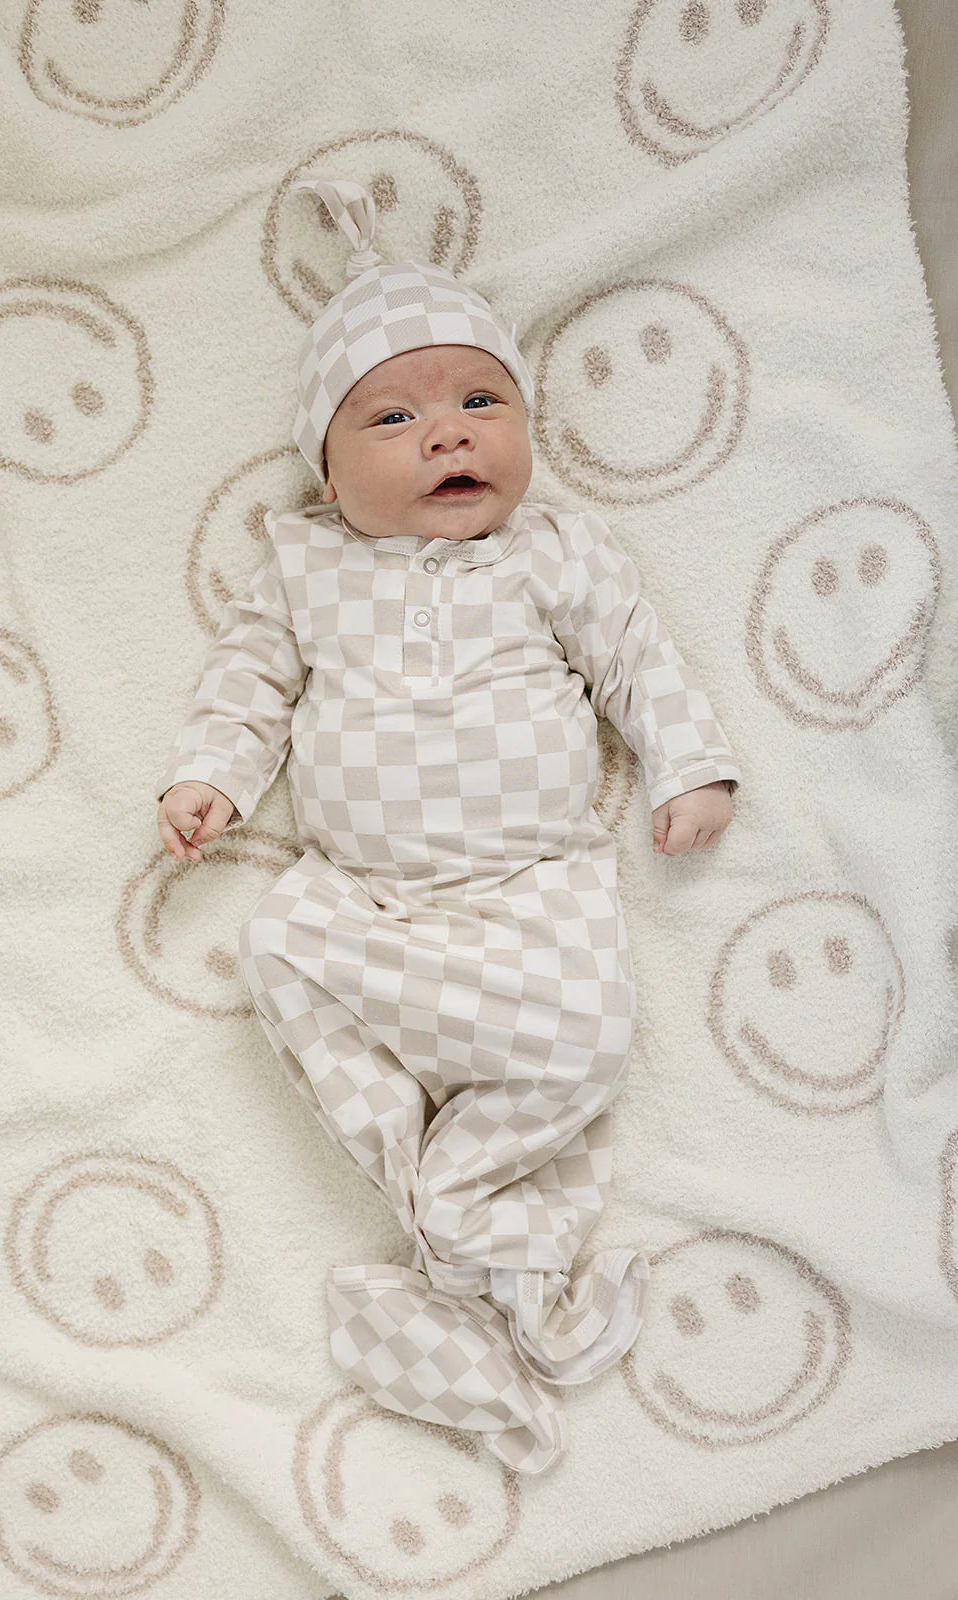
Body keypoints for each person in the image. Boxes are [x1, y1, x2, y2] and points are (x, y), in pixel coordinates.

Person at [154, 177, 742, 1474]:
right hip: (358, 898)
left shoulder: (556, 555)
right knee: (275, 951)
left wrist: (685, 767)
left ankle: (461, 1218)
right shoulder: (306, 566)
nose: (447, 436)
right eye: (395, 416)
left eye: (483, 401)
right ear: (326, 463)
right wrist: (212, 779)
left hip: (537, 890)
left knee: (587, 1040)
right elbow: (248, 685)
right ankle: (470, 1232)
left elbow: (639, 661)